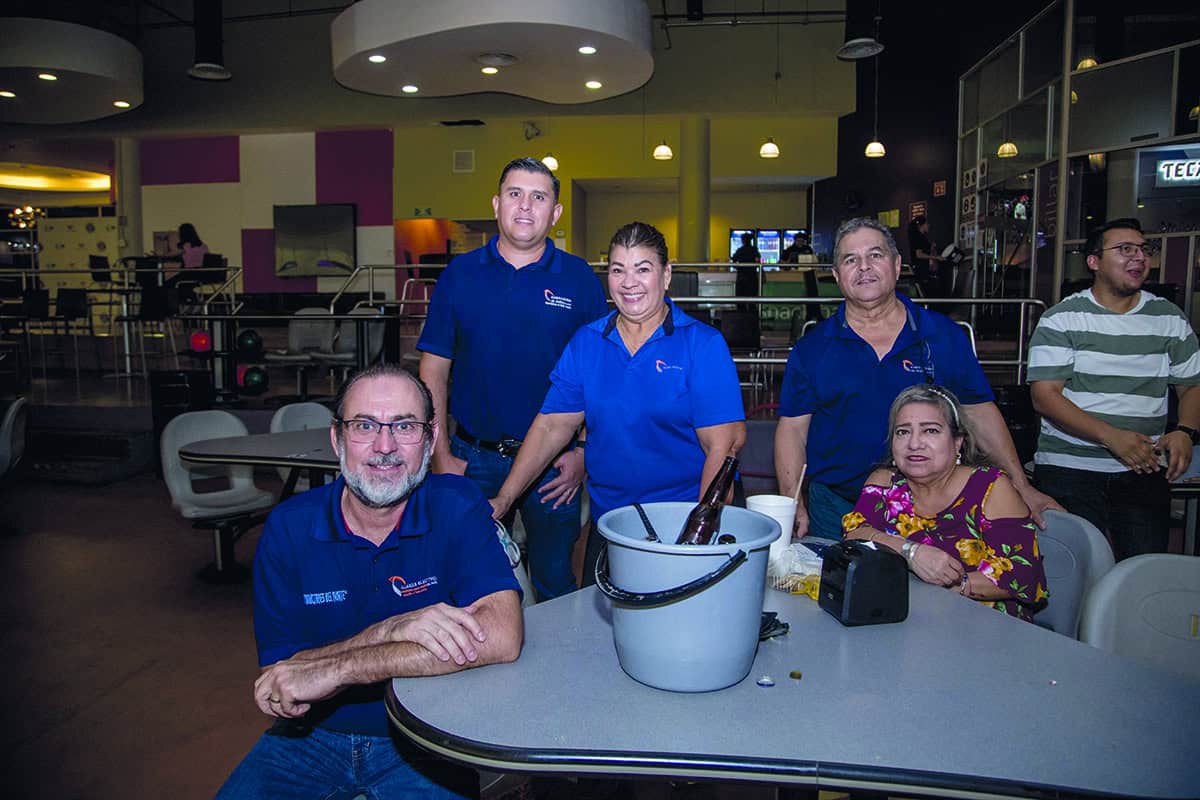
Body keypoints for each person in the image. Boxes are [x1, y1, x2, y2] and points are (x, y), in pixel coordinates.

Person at [216, 364, 523, 800]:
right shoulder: (289, 527)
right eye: (364, 426)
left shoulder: (456, 505)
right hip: (311, 737)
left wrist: (339, 668)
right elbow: (284, 678)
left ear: (431, 439)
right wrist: (392, 629)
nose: (385, 447)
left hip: (426, 737)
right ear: (336, 438)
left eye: (405, 426)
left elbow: (502, 636)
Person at [489, 222, 746, 583]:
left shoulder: (701, 345)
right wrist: (505, 498)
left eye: (643, 269)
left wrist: (695, 542)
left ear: (666, 275)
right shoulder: (587, 342)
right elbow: (552, 425)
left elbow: (723, 447)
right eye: (618, 269)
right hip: (610, 524)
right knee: (604, 632)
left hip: (680, 524)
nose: (629, 283)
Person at [774, 217, 1058, 540]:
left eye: (875, 255)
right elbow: (792, 432)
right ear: (837, 276)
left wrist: (1021, 485)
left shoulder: (943, 336)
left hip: (929, 509)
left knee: (930, 590)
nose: (864, 267)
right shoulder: (812, 349)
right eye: (850, 260)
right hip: (836, 507)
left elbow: (979, 413)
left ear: (897, 266)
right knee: (833, 590)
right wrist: (791, 501)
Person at [418, 157, 608, 601]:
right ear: (496, 203)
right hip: (470, 459)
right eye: (515, 194)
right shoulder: (459, 275)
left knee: (555, 581)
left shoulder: (579, 280)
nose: (526, 206)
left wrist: (584, 451)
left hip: (554, 465)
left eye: (539, 197)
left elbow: (599, 377)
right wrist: (439, 454)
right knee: (465, 582)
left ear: (555, 212)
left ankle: (559, 671)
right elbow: (433, 372)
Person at [1029, 218, 1200, 560]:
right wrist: (1111, 437)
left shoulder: (1169, 318)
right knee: (1073, 573)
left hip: (1143, 468)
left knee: (1143, 572)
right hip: (1070, 468)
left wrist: (1185, 431)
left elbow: (1191, 385)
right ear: (1094, 262)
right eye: (1125, 249)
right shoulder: (1063, 318)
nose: (1138, 257)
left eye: (1143, 249)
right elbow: (1045, 397)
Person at [843, 385, 1048, 622]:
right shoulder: (884, 483)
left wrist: (953, 585)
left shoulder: (990, 488)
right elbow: (854, 534)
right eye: (902, 432)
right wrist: (912, 552)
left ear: (958, 441)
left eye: (930, 431)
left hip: (985, 628)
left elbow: (1025, 575)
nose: (914, 443)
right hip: (904, 618)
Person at [907, 215, 950, 298]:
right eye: (926, 223)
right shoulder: (918, 237)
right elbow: (919, 254)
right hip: (922, 271)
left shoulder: (920, 237)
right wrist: (936, 257)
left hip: (923, 270)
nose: (928, 225)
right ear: (921, 225)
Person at [162, 222, 209, 287]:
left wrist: (165, 240)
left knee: (167, 284)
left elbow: (171, 254)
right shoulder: (204, 246)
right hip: (202, 275)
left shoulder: (186, 246)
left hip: (189, 274)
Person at [731, 231, 761, 299]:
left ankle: (742, 310)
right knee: (752, 300)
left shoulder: (740, 251)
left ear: (743, 241)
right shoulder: (754, 250)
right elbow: (758, 262)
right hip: (752, 277)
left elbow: (733, 262)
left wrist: (738, 267)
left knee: (741, 300)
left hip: (741, 277)